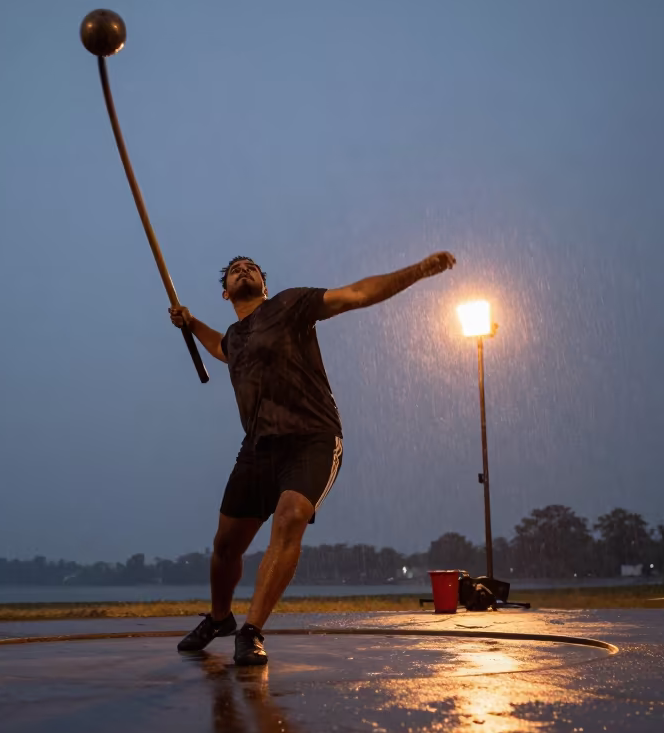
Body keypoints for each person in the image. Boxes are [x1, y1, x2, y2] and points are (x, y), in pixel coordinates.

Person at [168, 252, 457, 665]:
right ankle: (219, 618)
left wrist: (419, 270)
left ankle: (251, 631)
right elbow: (221, 349)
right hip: (257, 448)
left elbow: (355, 294)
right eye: (235, 270)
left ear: (264, 287)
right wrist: (191, 323)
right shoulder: (235, 336)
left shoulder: (289, 306)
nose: (243, 270)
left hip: (312, 439)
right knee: (225, 547)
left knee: (290, 517)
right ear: (225, 291)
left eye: (251, 267)